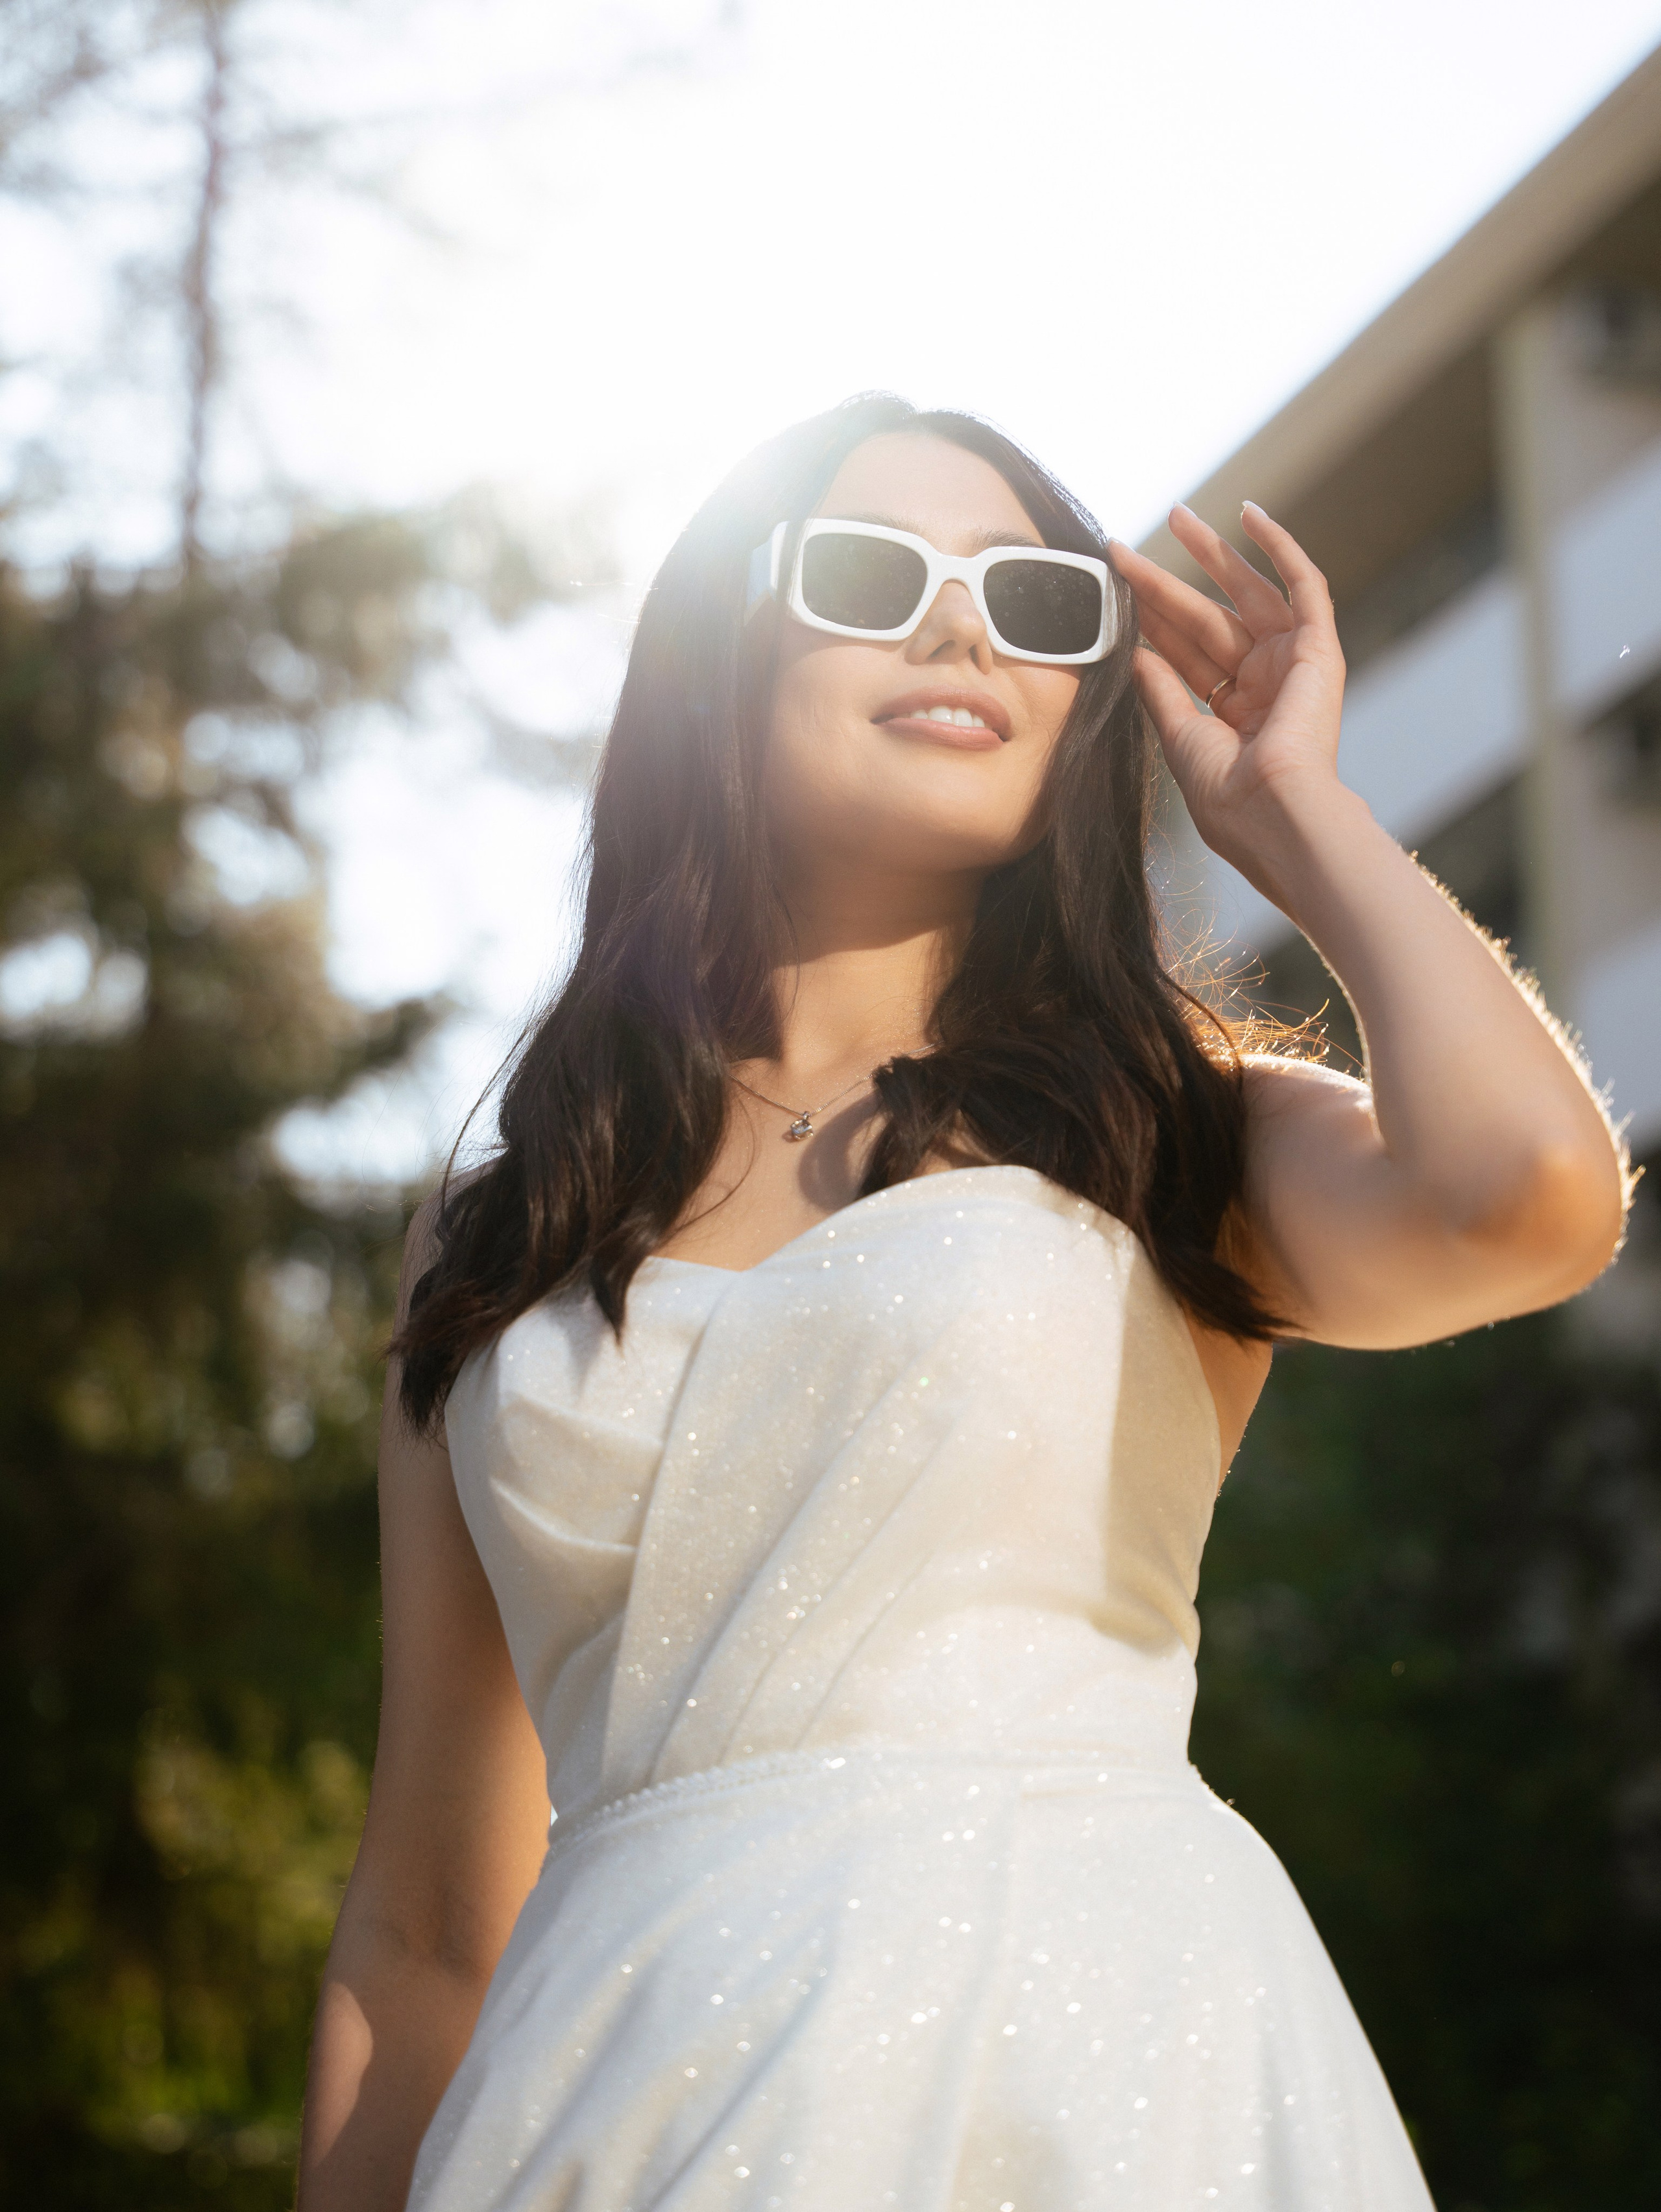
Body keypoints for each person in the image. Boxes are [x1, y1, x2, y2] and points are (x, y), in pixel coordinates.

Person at [295, 393, 1629, 2212]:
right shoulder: (493, 1229)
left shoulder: (1168, 1122)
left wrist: (1293, 816)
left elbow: (1532, 1200)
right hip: (603, 2113)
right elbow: (429, 1919)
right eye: (870, 573)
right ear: (719, 654)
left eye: (1036, 600)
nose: (962, 627)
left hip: (1093, 2071)